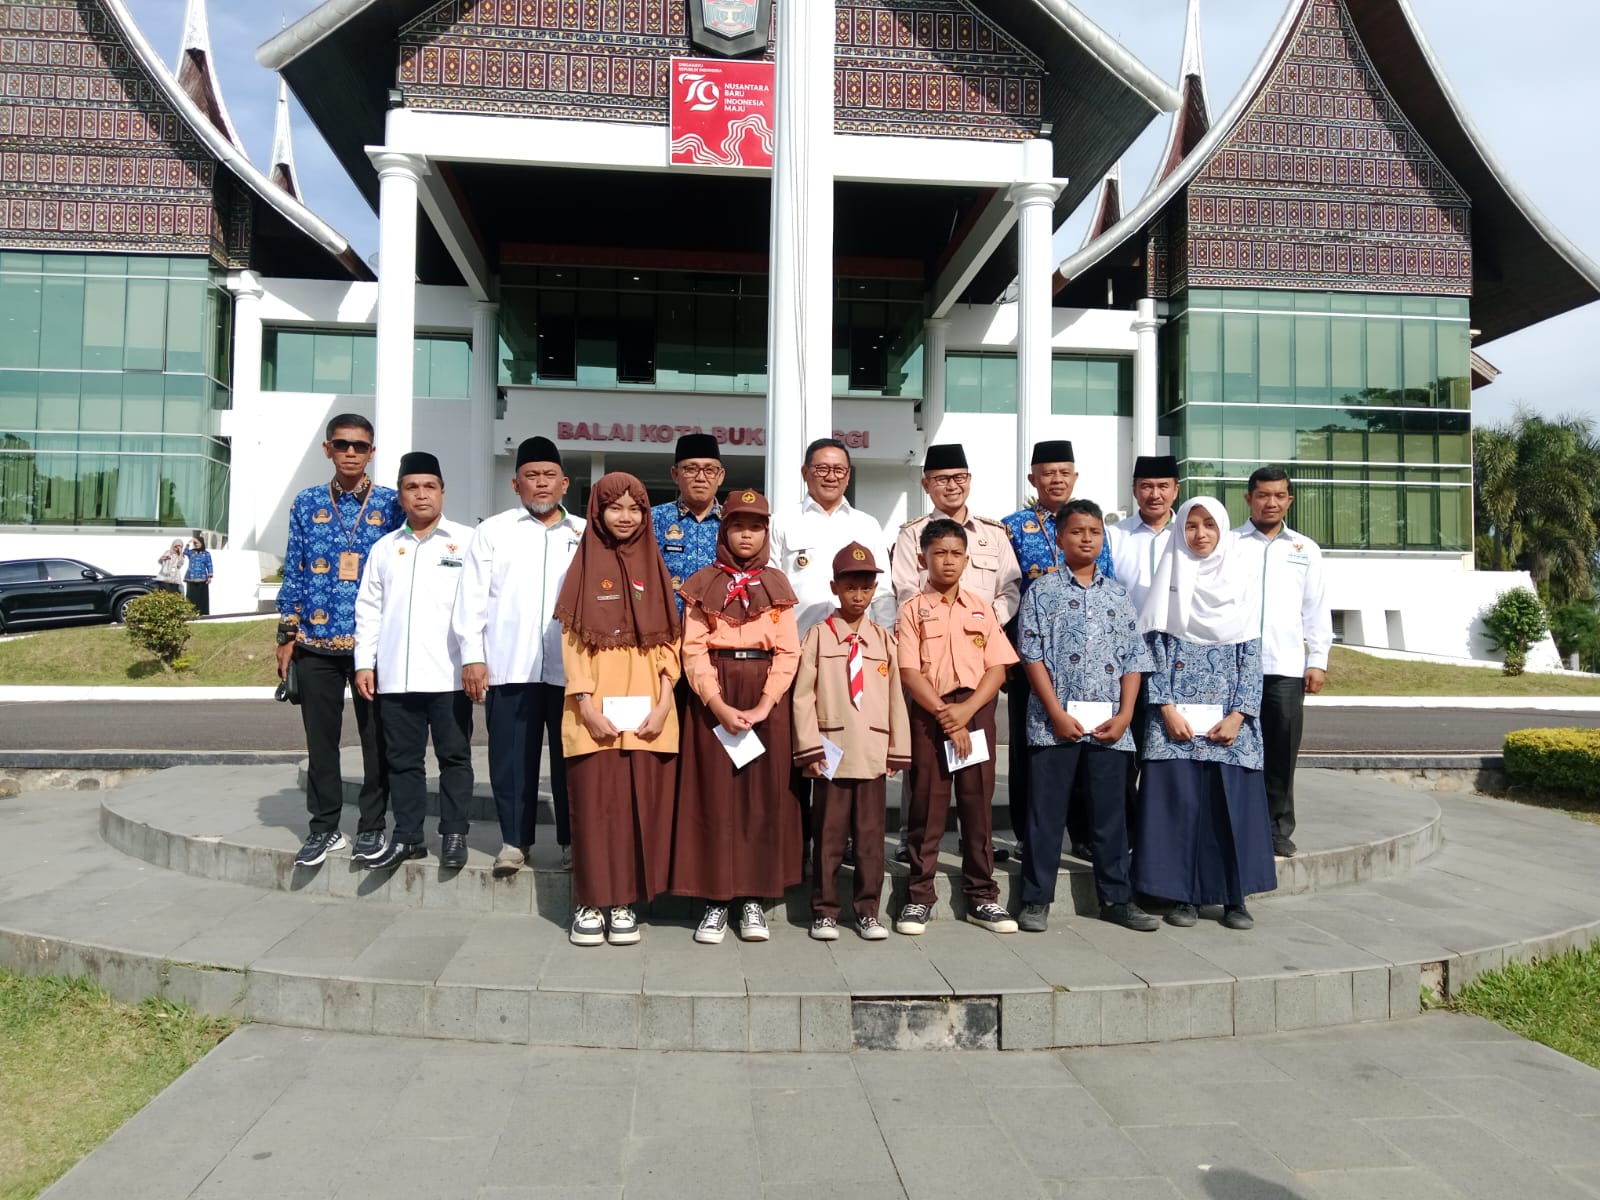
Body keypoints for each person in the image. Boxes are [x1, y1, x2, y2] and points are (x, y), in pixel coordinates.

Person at [1133, 497, 1276, 930]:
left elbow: (1252, 658)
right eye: (1191, 525)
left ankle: (1233, 897)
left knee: (1228, 808)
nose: (1200, 534)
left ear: (1223, 530)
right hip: (1174, 725)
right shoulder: (1169, 581)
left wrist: (1239, 715)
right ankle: (1182, 896)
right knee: (1179, 808)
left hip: (1229, 726)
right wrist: (1166, 709)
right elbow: (1152, 654)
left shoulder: (1241, 586)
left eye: (1209, 525)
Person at [1014, 499, 1157, 933]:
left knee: (1110, 817)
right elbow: (1032, 656)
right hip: (1053, 726)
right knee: (1046, 816)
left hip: (1109, 727)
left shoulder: (1118, 595)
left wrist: (1126, 714)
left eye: (1094, 532)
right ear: (1060, 539)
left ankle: (1116, 899)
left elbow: (1134, 659)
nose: (1086, 539)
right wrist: (1055, 713)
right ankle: (1035, 899)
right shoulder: (1042, 592)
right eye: (1077, 531)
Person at [554, 472, 683, 948]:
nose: (625, 517)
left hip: (649, 712)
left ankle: (625, 901)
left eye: (635, 508)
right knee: (594, 809)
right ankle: (590, 902)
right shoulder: (584, 565)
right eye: (615, 507)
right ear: (597, 512)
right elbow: (572, 644)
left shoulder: (655, 565)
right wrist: (585, 706)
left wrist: (665, 703)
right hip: (594, 713)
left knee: (636, 811)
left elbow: (670, 644)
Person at [670, 489, 803, 944]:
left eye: (756, 527)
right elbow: (692, 649)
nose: (747, 535)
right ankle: (714, 898)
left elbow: (788, 650)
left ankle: (752, 897)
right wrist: (717, 703)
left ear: (767, 532)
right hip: (715, 695)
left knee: (760, 797)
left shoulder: (778, 585)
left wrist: (766, 703)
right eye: (738, 526)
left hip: (765, 694)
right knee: (713, 795)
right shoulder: (702, 582)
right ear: (724, 530)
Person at [452, 436, 584, 876]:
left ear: (564, 483)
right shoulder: (493, 532)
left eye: (549, 475)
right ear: (515, 484)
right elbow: (471, 600)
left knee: (572, 760)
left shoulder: (586, 533)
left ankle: (572, 842)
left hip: (572, 670)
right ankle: (514, 841)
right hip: (510, 667)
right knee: (510, 760)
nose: (541, 483)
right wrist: (473, 657)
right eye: (531, 476)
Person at [277, 414, 402, 869]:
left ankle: (372, 827)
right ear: (327, 449)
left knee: (377, 742)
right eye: (343, 444)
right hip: (316, 643)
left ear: (372, 451)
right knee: (321, 742)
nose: (352, 452)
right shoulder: (307, 502)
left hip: (374, 647)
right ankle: (324, 827)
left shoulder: (392, 504)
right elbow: (295, 567)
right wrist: (286, 634)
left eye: (360, 446)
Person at [894, 518, 1019, 936]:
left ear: (967, 560)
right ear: (922, 558)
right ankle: (919, 895)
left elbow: (997, 668)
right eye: (939, 553)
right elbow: (910, 672)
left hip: (975, 709)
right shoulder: (912, 610)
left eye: (956, 554)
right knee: (926, 804)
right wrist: (946, 715)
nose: (948, 561)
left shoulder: (982, 608)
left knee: (976, 802)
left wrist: (965, 713)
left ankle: (983, 896)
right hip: (929, 712)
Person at [353, 452, 475, 870]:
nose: (421, 494)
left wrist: (476, 660)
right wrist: (364, 663)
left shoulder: (466, 542)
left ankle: (455, 833)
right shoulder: (386, 548)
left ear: (442, 492)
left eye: (429, 486)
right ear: (401, 496)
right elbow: (369, 609)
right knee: (403, 761)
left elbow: (479, 606)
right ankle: (408, 837)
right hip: (396, 676)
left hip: (449, 675)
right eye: (412, 487)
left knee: (454, 757)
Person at [791, 542, 910, 941]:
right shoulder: (818, 637)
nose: (858, 595)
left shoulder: (882, 640)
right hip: (832, 753)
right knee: (828, 835)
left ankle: (867, 911)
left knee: (870, 839)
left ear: (874, 590)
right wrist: (809, 747)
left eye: (865, 587)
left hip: (872, 752)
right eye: (850, 587)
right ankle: (824, 910)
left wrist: (897, 750)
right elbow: (802, 697)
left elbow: (895, 698)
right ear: (834, 588)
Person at [1000, 440, 1104, 862]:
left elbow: (1108, 582)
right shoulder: (1011, 528)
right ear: (1033, 479)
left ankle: (1083, 833)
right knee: (1028, 748)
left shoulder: (1091, 523)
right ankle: (1029, 834)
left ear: (1075, 476)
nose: (1056, 480)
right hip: (1030, 659)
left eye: (1064, 472)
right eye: (1047, 473)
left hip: (1087, 660)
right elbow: (1004, 592)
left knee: (1083, 741)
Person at [1230, 467, 1333, 858]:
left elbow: (1316, 608)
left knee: (1281, 750)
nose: (1270, 503)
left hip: (1285, 667)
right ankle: (1236, 823)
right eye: (1263, 495)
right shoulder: (1229, 543)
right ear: (1249, 498)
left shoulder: (1305, 549)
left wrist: (1317, 660)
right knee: (1233, 747)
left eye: (1279, 495)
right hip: (1235, 665)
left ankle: (1276, 828)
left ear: (1289, 500)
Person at [1106, 454, 1181, 830]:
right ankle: (1125, 832)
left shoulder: (1190, 534)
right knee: (1124, 746)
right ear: (1135, 490)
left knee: (1169, 747)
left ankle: (1161, 831)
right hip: (1124, 659)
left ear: (1176, 490)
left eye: (1163, 486)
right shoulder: (1114, 536)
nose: (1155, 494)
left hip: (1177, 658)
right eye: (1147, 486)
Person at [770, 438, 894, 635]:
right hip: (797, 640)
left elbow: (882, 593)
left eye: (838, 470)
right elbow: (770, 589)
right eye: (822, 469)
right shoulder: (781, 522)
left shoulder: (867, 525)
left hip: (856, 643)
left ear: (848, 475)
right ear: (805, 473)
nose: (831, 477)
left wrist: (886, 638)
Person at [651, 432, 725, 607]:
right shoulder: (653, 519)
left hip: (718, 622)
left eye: (709, 470)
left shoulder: (733, 523)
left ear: (720, 476)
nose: (701, 478)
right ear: (675, 474)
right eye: (691, 469)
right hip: (667, 622)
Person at [183, 534, 213, 616]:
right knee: (191, 596)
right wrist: (188, 543)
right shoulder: (191, 552)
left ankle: (202, 613)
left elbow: (209, 564)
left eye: (197, 543)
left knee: (202, 596)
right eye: (195, 543)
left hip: (202, 578)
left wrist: (210, 576)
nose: (196, 545)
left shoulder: (206, 554)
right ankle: (190, 612)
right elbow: (185, 552)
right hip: (191, 578)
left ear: (202, 543)